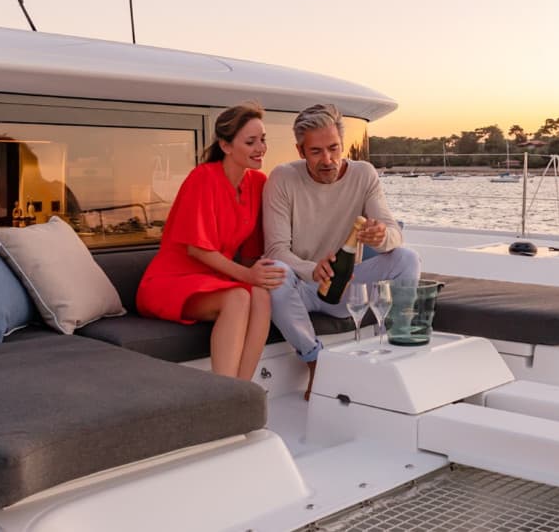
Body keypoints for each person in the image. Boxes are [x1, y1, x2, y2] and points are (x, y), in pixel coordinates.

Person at [263, 103, 420, 398]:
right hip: (302, 287)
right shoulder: (282, 178)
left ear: (343, 145)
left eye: (334, 148)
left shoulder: (364, 174)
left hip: (348, 286)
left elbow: (394, 234)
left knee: (406, 258)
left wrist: (381, 237)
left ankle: (399, 346)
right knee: (275, 272)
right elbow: (276, 249)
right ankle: (315, 361)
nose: (328, 160)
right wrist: (312, 269)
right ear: (300, 151)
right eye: (316, 152)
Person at [136, 102, 285, 379]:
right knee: (239, 297)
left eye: (263, 140)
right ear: (226, 146)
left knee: (261, 296)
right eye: (250, 142)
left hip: (215, 280)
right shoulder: (202, 178)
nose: (261, 148)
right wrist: (247, 276)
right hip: (170, 281)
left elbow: (251, 253)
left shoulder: (258, 183)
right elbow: (197, 250)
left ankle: (244, 390)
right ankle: (226, 390)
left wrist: (257, 276)